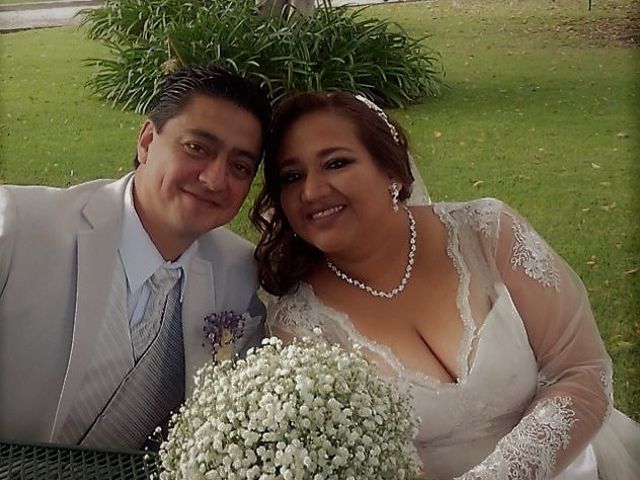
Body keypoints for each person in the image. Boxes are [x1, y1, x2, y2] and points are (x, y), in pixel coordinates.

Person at [251, 91, 640, 479]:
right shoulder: (298, 327)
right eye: (292, 176)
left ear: (391, 171)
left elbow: (583, 370)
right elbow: (358, 464)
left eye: (336, 163)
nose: (312, 191)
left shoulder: (487, 233)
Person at [0, 65, 271, 450]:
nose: (214, 179)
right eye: (197, 148)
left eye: (240, 167)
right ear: (146, 141)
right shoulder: (19, 229)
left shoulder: (239, 272)